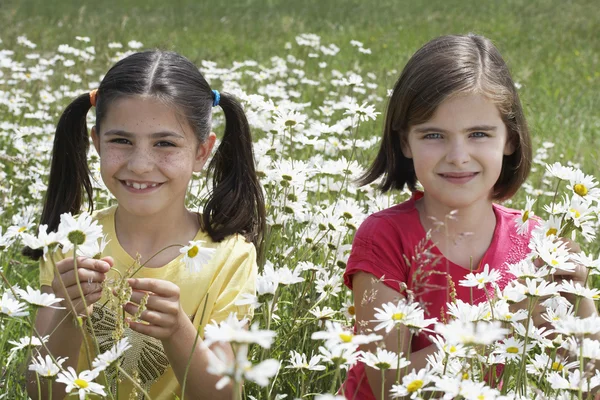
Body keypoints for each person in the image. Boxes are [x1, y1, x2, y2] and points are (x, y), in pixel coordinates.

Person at [341, 34, 595, 399]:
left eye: (478, 134)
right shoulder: (385, 237)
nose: (458, 156)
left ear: (510, 139)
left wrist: (578, 294)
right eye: (434, 135)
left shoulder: (537, 243)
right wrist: (501, 326)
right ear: (404, 142)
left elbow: (590, 381)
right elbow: (385, 382)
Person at [26, 50, 265, 399]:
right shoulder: (69, 244)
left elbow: (223, 395)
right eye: (121, 141)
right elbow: (41, 393)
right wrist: (67, 311)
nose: (140, 165)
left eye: (165, 143)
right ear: (96, 142)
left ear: (202, 152)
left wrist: (178, 331)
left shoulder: (231, 256)